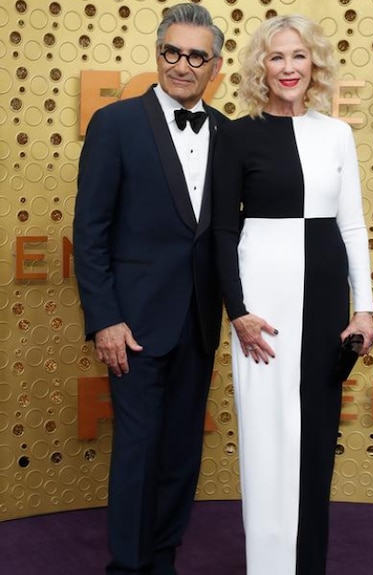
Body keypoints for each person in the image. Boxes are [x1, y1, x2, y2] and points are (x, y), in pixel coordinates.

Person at [211, 15, 373, 575]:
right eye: (277, 57)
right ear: (262, 65)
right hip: (262, 307)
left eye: (299, 56)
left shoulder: (337, 134)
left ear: (315, 66)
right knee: (264, 438)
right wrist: (238, 312)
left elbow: (351, 226)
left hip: (327, 300)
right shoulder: (235, 135)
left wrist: (365, 306)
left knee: (315, 436)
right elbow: (222, 231)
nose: (288, 68)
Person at [73, 4, 226, 574]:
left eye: (195, 56)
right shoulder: (115, 124)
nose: (181, 65)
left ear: (215, 64)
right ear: (158, 52)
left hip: (199, 318)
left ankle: (162, 559)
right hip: (132, 325)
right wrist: (104, 318)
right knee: (138, 451)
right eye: (171, 52)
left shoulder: (228, 133)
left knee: (182, 452)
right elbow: (90, 231)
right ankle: (129, 567)